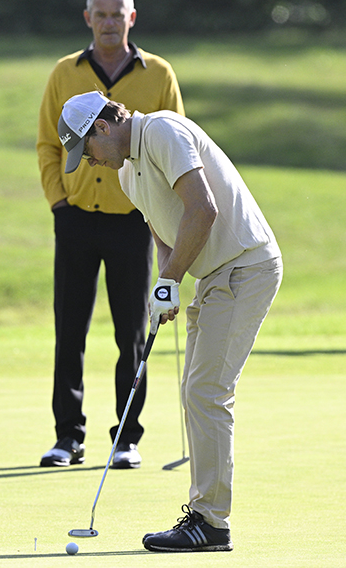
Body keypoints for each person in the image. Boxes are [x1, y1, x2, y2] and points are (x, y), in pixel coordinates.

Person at [58, 91, 282, 552]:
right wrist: (168, 284)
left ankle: (211, 523)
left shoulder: (162, 130)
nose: (90, 162)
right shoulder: (125, 173)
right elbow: (165, 232)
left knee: (207, 392)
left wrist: (171, 280)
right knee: (196, 392)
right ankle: (205, 515)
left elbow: (203, 209)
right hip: (215, 275)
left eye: (88, 150)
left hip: (245, 266)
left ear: (103, 126)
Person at [36, 0, 184, 469]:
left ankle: (126, 438)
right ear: (87, 18)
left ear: (132, 17)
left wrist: (162, 215)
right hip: (75, 219)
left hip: (133, 222)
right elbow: (48, 145)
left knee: (132, 334)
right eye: (100, 14)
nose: (108, 22)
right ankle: (68, 437)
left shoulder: (159, 73)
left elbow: (175, 148)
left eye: (117, 13)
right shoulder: (64, 72)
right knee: (69, 331)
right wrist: (59, 202)